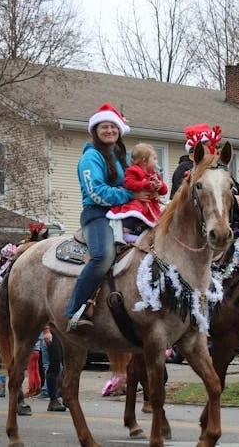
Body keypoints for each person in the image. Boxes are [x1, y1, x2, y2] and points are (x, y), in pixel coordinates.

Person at [66, 102, 146, 330]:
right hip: (98, 214)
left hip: (128, 214)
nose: (109, 130)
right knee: (102, 257)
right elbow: (96, 193)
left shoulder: (125, 157)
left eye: (113, 126)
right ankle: (76, 310)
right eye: (104, 127)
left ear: (119, 129)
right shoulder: (90, 158)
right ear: (95, 131)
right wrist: (130, 194)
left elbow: (140, 179)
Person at [170, 123, 239, 236]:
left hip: (231, 227)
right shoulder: (185, 169)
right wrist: (233, 200)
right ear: (198, 147)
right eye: (210, 144)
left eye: (215, 144)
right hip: (201, 231)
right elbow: (184, 200)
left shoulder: (218, 168)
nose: (215, 148)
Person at [106, 143, 168, 243]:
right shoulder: (133, 171)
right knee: (134, 211)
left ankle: (146, 235)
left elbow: (164, 191)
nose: (156, 161)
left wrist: (160, 186)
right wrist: (146, 184)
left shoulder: (154, 174)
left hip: (150, 204)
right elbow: (129, 184)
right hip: (137, 201)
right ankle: (125, 232)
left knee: (160, 216)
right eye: (154, 158)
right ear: (144, 160)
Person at [42, 326, 66, 411]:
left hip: (66, 331)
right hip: (54, 330)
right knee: (55, 365)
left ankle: (65, 395)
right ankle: (53, 400)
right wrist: (46, 331)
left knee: (69, 366)